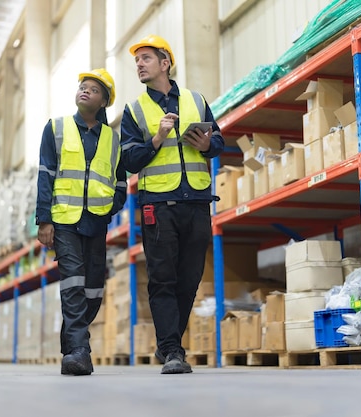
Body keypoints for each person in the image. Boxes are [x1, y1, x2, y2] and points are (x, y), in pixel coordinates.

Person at [121, 35, 224, 374]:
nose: (139, 64)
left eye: (146, 58)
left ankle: (168, 345)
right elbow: (129, 160)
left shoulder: (197, 100)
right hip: (158, 205)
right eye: (137, 60)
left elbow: (219, 141)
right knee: (162, 278)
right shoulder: (134, 110)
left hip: (196, 200)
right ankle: (172, 350)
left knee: (190, 278)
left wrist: (208, 144)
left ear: (165, 63)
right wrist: (157, 138)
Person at [36, 68, 127, 376]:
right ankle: (79, 351)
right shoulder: (56, 128)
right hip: (64, 220)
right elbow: (45, 175)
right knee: (73, 281)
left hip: (96, 222)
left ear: (104, 102)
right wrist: (44, 219)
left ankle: (70, 342)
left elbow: (121, 181)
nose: (85, 91)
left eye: (93, 89)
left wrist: (111, 207)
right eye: (82, 87)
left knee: (93, 290)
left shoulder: (112, 140)